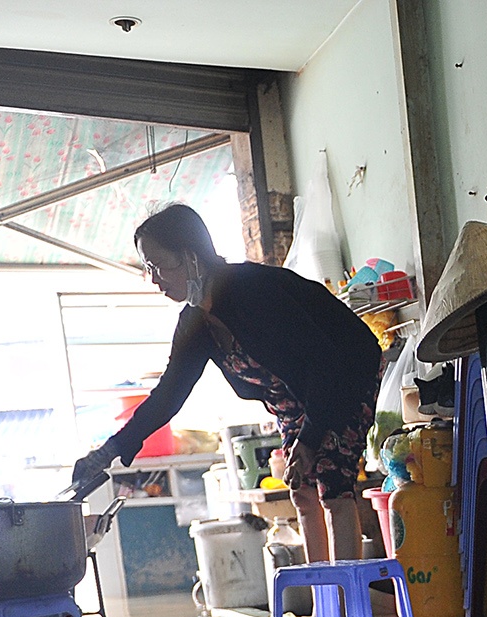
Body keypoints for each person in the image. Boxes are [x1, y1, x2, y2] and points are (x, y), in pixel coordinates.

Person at [70, 204, 382, 562]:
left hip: (342, 372)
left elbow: (323, 361)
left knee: (332, 487)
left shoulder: (253, 292)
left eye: (158, 265)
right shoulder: (195, 322)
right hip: (294, 396)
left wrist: (310, 439)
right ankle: (325, 603)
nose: (154, 279)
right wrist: (107, 452)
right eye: (147, 269)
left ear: (190, 257)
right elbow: (169, 394)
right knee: (302, 491)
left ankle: (348, 607)